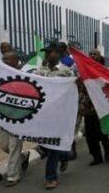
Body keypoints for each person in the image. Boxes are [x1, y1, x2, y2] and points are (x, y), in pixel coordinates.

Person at [35, 42, 73, 190]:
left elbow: (73, 88)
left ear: (59, 54)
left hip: (59, 114)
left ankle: (51, 177)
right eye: (47, 52)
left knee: (53, 144)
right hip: (44, 114)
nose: (49, 54)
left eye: (52, 51)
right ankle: (65, 156)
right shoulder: (39, 71)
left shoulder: (66, 71)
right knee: (45, 145)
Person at [0, 51, 30, 187]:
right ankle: (23, 157)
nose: (4, 61)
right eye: (3, 58)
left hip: (17, 117)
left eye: (7, 59)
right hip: (2, 116)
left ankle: (13, 176)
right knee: (4, 146)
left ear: (16, 61)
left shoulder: (24, 75)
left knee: (14, 146)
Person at [79, 49, 109, 166]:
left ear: (99, 57)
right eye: (91, 54)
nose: (92, 56)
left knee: (102, 133)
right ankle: (96, 157)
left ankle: (107, 149)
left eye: (95, 54)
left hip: (101, 106)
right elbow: (80, 86)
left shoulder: (104, 70)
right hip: (88, 107)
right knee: (90, 135)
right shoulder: (83, 70)